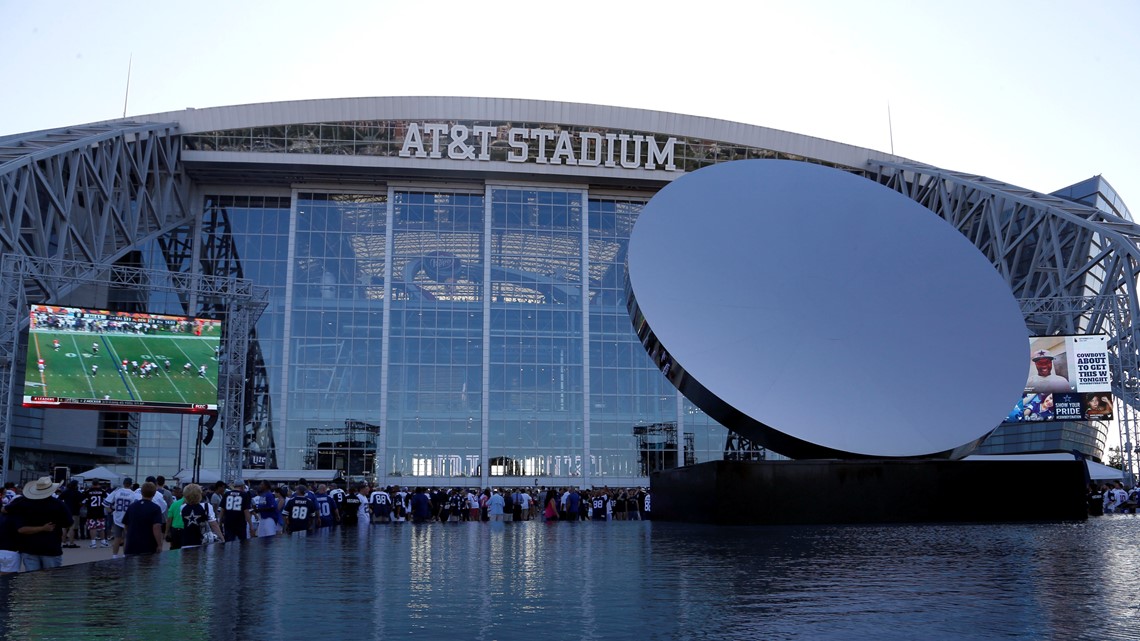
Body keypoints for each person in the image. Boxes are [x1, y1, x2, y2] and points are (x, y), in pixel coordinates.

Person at [3, 476, 73, 571]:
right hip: (51, 547)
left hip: (29, 547)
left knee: (33, 581)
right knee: (51, 580)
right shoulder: (58, 504)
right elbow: (68, 523)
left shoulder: (22, 502)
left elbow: (5, 509)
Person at [122, 482, 164, 555]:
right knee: (146, 566)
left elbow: (126, 525)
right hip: (148, 546)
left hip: (131, 544)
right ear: (154, 494)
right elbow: (156, 527)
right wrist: (159, 544)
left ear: (141, 492)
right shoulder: (155, 508)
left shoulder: (132, 506)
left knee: (130, 565)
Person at [104, 477, 136, 558]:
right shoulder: (133, 494)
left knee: (117, 538)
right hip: (128, 519)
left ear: (124, 483)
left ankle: (114, 556)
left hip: (117, 517)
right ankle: (125, 555)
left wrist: (111, 511)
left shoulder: (117, 491)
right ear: (131, 484)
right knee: (126, 538)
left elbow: (105, 503)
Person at [83, 481, 108, 547]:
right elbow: (106, 501)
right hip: (100, 511)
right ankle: (103, 542)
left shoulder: (88, 491)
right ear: (98, 484)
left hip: (91, 512)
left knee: (92, 527)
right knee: (101, 527)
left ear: (92, 484)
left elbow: (83, 501)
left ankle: (93, 543)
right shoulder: (102, 491)